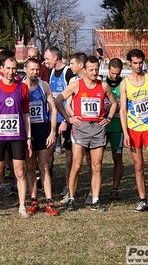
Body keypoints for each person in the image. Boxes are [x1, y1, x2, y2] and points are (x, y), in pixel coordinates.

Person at [55, 55, 117, 212]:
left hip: (97, 129)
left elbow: (114, 102)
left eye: (97, 69)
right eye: (91, 70)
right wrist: (69, 118)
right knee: (76, 165)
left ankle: (95, 200)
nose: (94, 72)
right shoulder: (76, 85)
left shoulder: (103, 86)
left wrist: (109, 118)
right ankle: (71, 199)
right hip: (80, 129)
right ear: (85, 69)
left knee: (97, 166)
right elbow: (58, 100)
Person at [0, 55, 32, 219]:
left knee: (19, 172)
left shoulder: (22, 87)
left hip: (18, 136)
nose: (11, 71)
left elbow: (26, 114)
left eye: (14, 68)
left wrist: (29, 137)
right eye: (8, 68)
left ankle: (22, 207)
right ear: (1, 69)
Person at [119, 48, 148, 214]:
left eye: (141, 63)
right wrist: (125, 133)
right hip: (133, 130)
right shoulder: (124, 84)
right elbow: (122, 110)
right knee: (138, 166)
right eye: (135, 63)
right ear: (129, 63)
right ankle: (142, 200)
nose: (138, 66)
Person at [23, 57, 59, 216]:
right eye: (31, 69)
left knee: (44, 166)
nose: (35, 72)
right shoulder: (20, 87)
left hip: (42, 129)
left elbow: (53, 110)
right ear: (25, 69)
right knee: (30, 167)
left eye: (37, 69)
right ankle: (34, 201)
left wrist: (52, 131)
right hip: (27, 131)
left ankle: (50, 203)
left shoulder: (44, 86)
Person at [43, 46, 74, 195]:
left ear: (55, 57)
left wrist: (66, 121)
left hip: (67, 118)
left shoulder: (68, 72)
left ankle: (68, 186)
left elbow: (71, 99)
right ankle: (46, 182)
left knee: (69, 157)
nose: (45, 61)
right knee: (48, 152)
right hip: (52, 118)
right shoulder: (50, 72)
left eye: (47, 58)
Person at [103, 58, 124, 200]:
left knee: (117, 157)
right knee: (96, 158)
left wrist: (122, 106)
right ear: (108, 69)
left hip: (118, 126)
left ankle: (115, 189)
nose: (115, 76)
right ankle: (94, 188)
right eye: (112, 73)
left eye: (117, 73)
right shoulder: (102, 83)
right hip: (103, 125)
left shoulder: (124, 84)